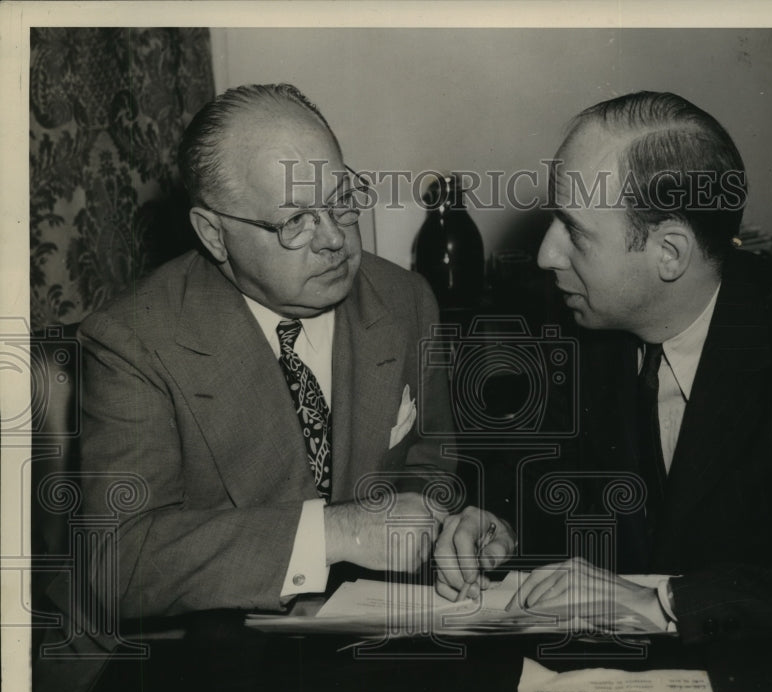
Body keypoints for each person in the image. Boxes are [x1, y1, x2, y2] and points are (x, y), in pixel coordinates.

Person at [78, 83, 514, 620]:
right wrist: (335, 532)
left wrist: (442, 528)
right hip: (190, 654)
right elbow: (116, 563)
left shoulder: (405, 301)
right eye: (295, 221)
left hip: (362, 632)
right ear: (214, 234)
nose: (334, 239)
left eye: (341, 201)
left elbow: (428, 464)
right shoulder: (133, 340)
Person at [511, 91, 772, 643]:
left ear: (669, 253)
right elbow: (545, 481)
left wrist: (667, 602)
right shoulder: (570, 321)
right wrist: (497, 524)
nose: (546, 255)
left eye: (574, 233)